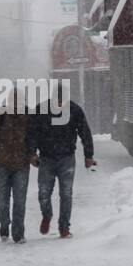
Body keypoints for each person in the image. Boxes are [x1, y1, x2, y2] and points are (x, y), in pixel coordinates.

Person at [28, 96, 95, 239]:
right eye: (56, 100)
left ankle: (64, 227)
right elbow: (32, 133)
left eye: (61, 100)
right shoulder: (41, 110)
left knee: (66, 193)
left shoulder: (74, 110)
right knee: (43, 194)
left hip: (67, 158)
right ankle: (47, 215)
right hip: (46, 158)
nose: (59, 103)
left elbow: (85, 132)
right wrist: (32, 153)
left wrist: (88, 155)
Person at [0, 90, 35, 243]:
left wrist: (30, 154)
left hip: (22, 165)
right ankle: (4, 226)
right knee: (2, 199)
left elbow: (33, 137)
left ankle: (18, 234)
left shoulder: (28, 116)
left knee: (20, 200)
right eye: (13, 100)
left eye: (18, 100)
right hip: (2, 165)